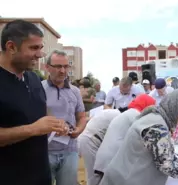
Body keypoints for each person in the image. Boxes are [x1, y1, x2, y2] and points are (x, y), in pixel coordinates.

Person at [0, 20, 67, 185]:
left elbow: (39, 112)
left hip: (40, 176)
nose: (40, 54)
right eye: (33, 48)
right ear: (11, 47)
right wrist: (34, 129)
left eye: (41, 47)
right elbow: (35, 126)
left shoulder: (34, 78)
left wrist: (55, 124)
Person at [99, 90, 178, 185]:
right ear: (176, 109)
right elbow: (166, 164)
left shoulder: (156, 118)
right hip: (126, 179)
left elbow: (166, 154)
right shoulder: (156, 126)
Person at [43, 50, 87, 185]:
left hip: (70, 151)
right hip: (45, 151)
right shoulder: (39, 89)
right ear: (47, 67)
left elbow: (81, 116)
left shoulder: (75, 91)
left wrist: (78, 130)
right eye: (57, 66)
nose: (62, 70)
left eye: (66, 66)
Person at [94, 94, 156, 184]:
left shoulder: (129, 113)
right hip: (112, 159)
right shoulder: (135, 115)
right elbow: (145, 136)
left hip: (106, 156)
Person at [78, 109, 121, 185]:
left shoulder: (111, 111)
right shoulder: (118, 117)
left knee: (95, 174)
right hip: (91, 140)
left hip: (87, 138)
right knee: (95, 176)